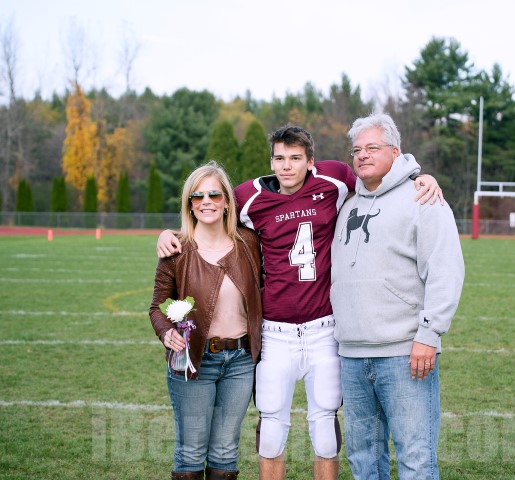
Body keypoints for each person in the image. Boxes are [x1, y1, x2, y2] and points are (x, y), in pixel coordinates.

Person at [156, 125, 443, 480]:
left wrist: (417, 177)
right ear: (270, 161)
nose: (286, 166)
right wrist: (170, 233)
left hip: (324, 328)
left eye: (295, 158)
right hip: (276, 331)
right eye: (279, 158)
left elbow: (379, 179)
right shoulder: (249, 196)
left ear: (311, 161)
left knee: (325, 431)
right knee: (271, 428)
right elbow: (209, 211)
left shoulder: (335, 179)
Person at [330, 113, 465, 480]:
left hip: (404, 354)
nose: (362, 155)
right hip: (352, 356)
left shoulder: (423, 198)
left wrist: (429, 334)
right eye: (356, 149)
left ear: (395, 151)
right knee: (363, 460)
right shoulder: (347, 206)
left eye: (372, 147)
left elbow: (446, 269)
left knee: (415, 458)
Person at [149, 161, 263, 480]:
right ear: (190, 204)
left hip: (241, 361)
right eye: (197, 196)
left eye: (214, 194)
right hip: (195, 360)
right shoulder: (176, 249)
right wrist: (166, 332)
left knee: (226, 450)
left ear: (227, 201)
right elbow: (157, 307)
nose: (206, 201)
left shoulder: (249, 243)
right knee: (191, 450)